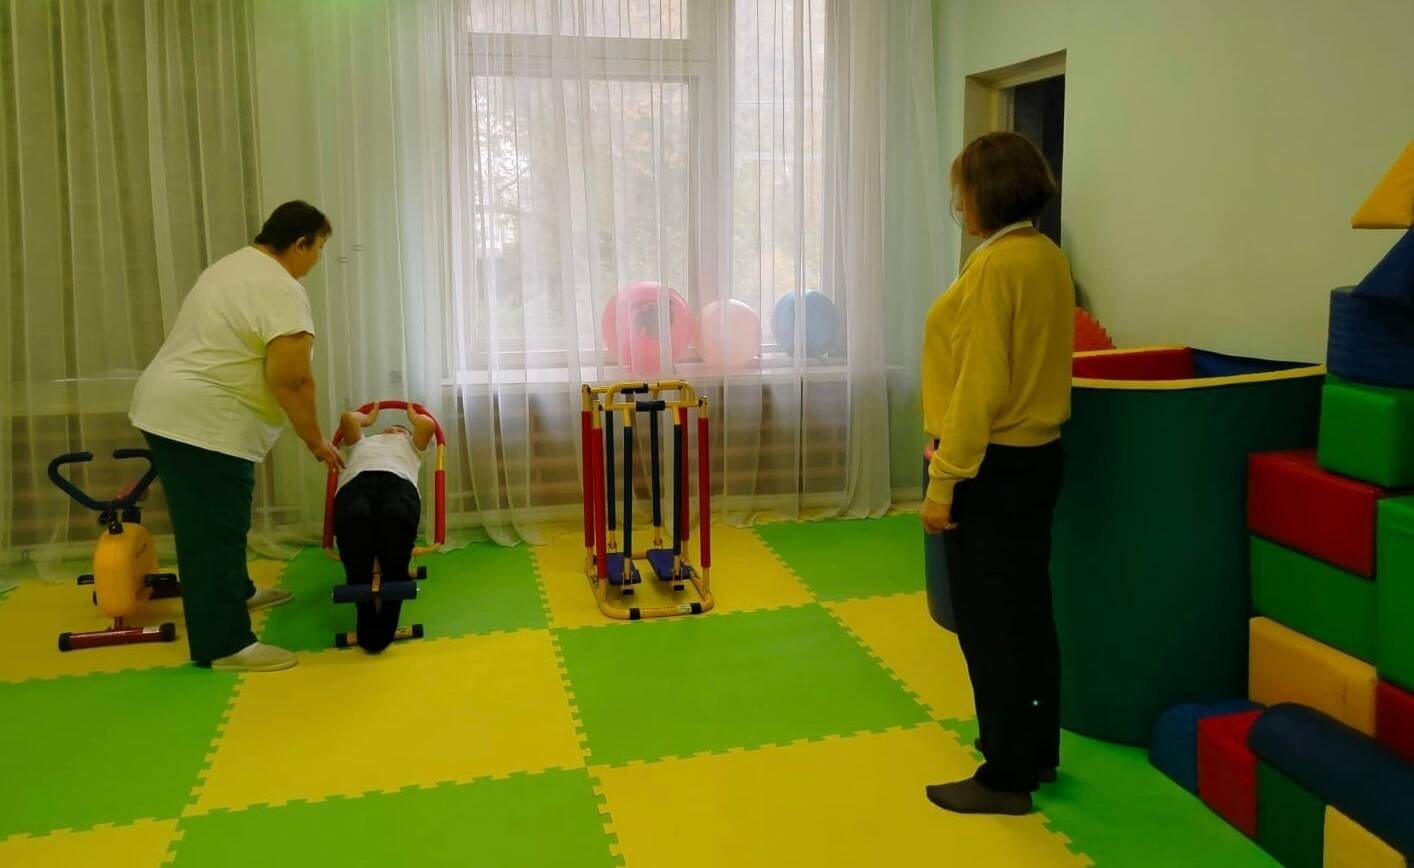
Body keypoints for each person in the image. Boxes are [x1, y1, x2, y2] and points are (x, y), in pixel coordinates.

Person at [920, 132, 1073, 815]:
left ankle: (1005, 777)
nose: (959, 203)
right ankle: (1033, 750)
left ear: (985, 193)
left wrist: (944, 482)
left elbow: (978, 386)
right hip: (1038, 458)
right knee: (1028, 612)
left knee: (989, 623)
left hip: (990, 465)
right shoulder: (1047, 257)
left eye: (963, 190)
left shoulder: (995, 267)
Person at [130, 201, 343, 673]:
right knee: (212, 532)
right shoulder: (280, 288)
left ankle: (237, 592)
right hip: (200, 421)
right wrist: (315, 440)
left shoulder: (234, 265)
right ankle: (224, 643)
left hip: (179, 409)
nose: (318, 259)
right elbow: (292, 379)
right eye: (320, 248)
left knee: (222, 518)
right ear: (300, 244)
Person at [332, 402, 436, 653]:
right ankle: (365, 607)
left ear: (408, 435)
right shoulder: (363, 442)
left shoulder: (412, 446)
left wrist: (413, 417)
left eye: (400, 430)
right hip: (357, 485)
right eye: (389, 429)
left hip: (398, 484)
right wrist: (367, 420)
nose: (393, 431)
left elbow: (428, 425)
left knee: (395, 519)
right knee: (355, 519)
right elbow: (348, 419)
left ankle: (387, 615)